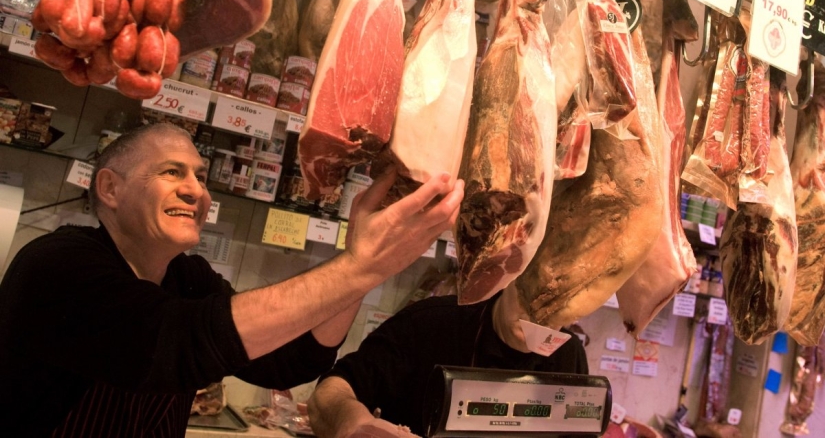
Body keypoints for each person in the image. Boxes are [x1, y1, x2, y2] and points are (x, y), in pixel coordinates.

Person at [0, 122, 464, 437]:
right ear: (110, 188)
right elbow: (171, 343)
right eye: (172, 172)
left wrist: (358, 265)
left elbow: (289, 361)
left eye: (201, 177)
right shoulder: (58, 265)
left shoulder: (187, 276)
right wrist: (363, 265)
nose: (196, 190)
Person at [308, 282, 589, 438]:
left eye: (558, 303)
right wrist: (355, 423)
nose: (541, 314)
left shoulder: (569, 354)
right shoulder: (431, 322)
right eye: (532, 293)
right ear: (512, 278)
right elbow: (328, 394)